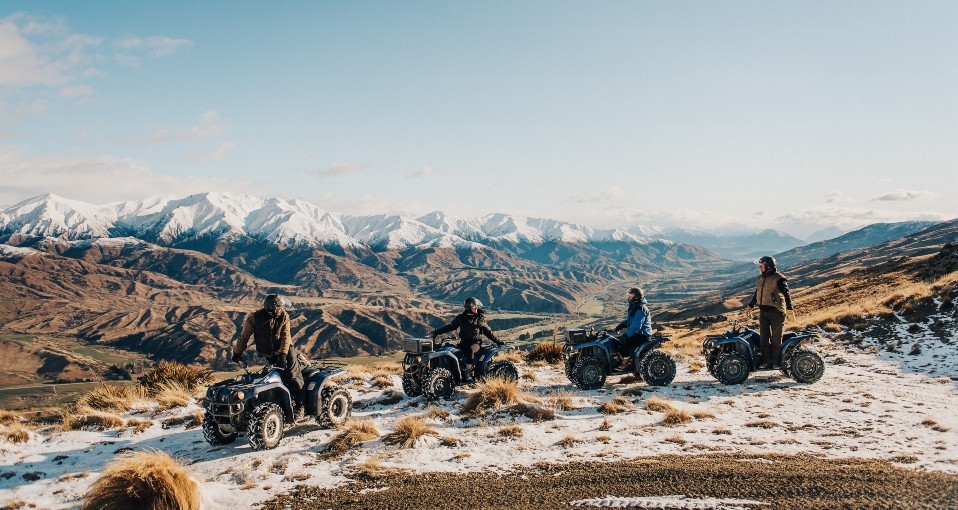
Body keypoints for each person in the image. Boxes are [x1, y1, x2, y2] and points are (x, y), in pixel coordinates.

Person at [232, 294, 306, 414]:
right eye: (279, 308)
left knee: (293, 376)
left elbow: (286, 337)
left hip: (286, 350)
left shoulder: (284, 316)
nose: (281, 310)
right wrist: (237, 352)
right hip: (269, 353)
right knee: (271, 377)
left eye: (282, 307)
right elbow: (244, 337)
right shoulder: (255, 318)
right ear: (271, 309)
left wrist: (283, 354)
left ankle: (300, 405)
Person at [431, 297, 503, 378]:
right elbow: (451, 326)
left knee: (470, 350)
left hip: (476, 344)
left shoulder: (479, 319)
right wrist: (437, 332)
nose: (476, 309)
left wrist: (498, 341)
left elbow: (488, 333)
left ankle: (469, 374)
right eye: (475, 308)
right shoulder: (461, 318)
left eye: (477, 307)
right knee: (449, 349)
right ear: (469, 308)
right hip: (463, 343)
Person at [746, 255, 795, 369]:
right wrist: (751, 305)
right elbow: (757, 293)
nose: (760, 268)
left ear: (768, 266)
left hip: (776, 312)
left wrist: (789, 309)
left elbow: (787, 294)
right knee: (763, 338)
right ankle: (766, 362)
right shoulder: (760, 278)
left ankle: (777, 363)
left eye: (761, 266)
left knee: (776, 339)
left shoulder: (779, 278)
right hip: (763, 312)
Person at [613, 287, 653, 369]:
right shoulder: (635, 307)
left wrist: (626, 335)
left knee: (623, 342)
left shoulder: (641, 309)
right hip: (637, 333)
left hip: (642, 335)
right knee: (616, 341)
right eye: (628, 296)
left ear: (636, 297)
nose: (628, 298)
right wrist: (621, 325)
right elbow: (631, 320)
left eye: (630, 297)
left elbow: (636, 326)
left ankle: (626, 363)